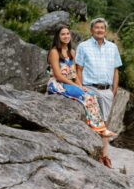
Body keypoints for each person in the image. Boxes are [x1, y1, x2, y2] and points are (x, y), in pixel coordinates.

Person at [45, 25, 117, 168]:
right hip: (57, 84)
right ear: (58, 37)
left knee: (90, 95)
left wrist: (80, 84)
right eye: (63, 34)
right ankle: (101, 129)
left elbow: (75, 73)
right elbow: (58, 75)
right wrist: (75, 86)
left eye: (67, 34)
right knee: (86, 97)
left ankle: (99, 128)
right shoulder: (54, 52)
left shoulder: (72, 51)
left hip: (71, 83)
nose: (66, 36)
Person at [74, 17, 122, 121]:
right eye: (96, 28)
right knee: (90, 122)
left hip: (106, 92)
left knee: (104, 124)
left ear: (105, 31)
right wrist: (80, 87)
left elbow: (115, 70)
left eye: (102, 28)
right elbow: (79, 69)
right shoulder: (83, 46)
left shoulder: (113, 47)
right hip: (89, 90)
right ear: (91, 30)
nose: (99, 30)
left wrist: (114, 90)